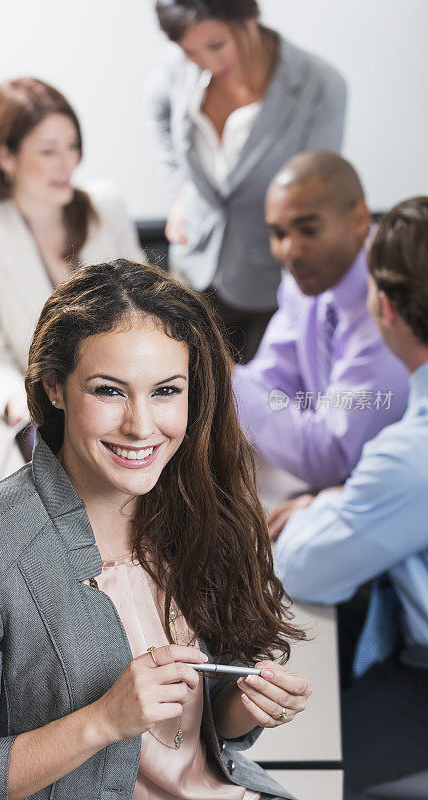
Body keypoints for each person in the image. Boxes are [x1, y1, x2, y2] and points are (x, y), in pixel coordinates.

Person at [0, 259, 312, 800]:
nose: (141, 426)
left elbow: (198, 732)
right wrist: (103, 721)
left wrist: (242, 707)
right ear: (54, 387)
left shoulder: (198, 510)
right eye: (110, 391)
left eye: (166, 391)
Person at [273, 198, 428, 798]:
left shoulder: (411, 458)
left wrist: (326, 506)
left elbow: (303, 567)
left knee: (280, 765)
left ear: (384, 307)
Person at [148, 0, 346, 362]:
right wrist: (183, 192)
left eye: (217, 45)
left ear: (250, 16)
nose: (206, 61)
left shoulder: (319, 86)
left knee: (255, 405)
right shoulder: (177, 64)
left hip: (270, 280)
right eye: (190, 50)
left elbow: (315, 192)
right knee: (189, 394)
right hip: (194, 263)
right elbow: (160, 112)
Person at [0, 77, 144, 425]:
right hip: (45, 416)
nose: (68, 164)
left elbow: (148, 313)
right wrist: (16, 402)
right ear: (6, 156)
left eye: (73, 146)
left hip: (132, 399)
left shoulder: (105, 207)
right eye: (49, 151)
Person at [232, 152, 409, 513]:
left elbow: (330, 454)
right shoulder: (307, 281)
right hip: (335, 487)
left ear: (358, 218)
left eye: (308, 229)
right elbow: (269, 382)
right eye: (278, 234)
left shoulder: (390, 296)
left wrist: (223, 374)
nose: (290, 250)